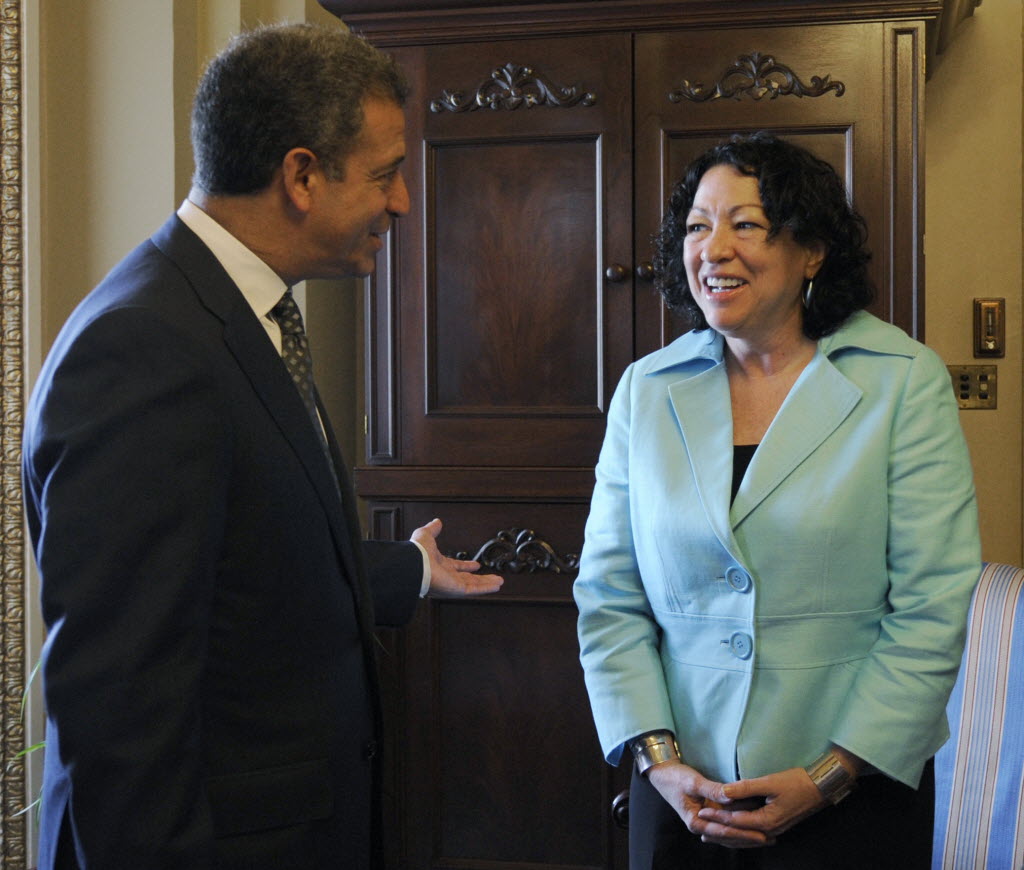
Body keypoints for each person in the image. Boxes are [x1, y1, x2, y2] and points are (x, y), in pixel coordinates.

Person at [23, 23, 502, 870]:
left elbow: (234, 549)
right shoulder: (144, 348)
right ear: (302, 175)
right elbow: (120, 707)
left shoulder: (234, 312)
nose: (402, 202)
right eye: (388, 174)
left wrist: (402, 572)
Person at [574, 133, 980, 869]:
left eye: (747, 225)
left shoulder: (903, 380)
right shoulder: (647, 388)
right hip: (684, 798)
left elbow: (933, 604)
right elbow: (609, 594)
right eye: (698, 226)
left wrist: (829, 776)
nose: (713, 248)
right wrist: (659, 760)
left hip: (852, 791)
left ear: (812, 251)